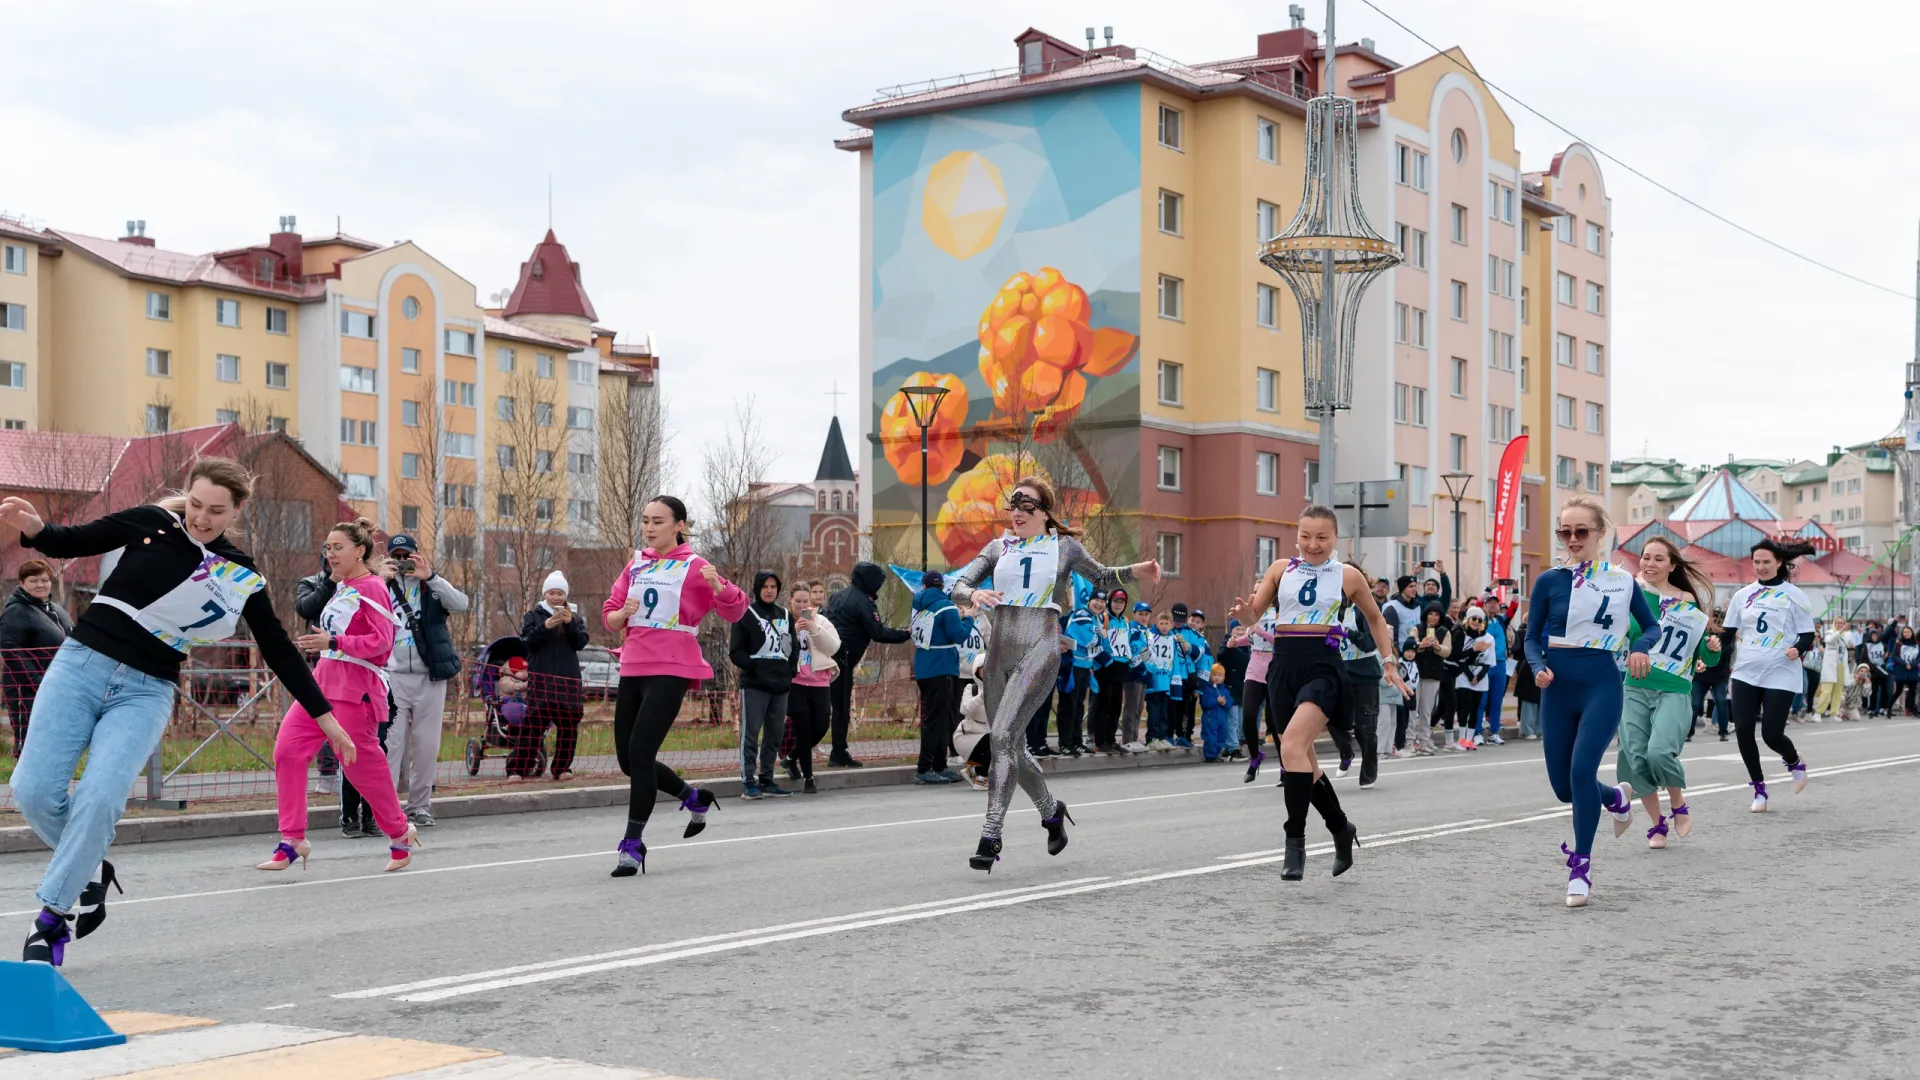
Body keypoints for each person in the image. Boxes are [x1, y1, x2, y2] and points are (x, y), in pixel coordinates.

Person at [4, 459, 336, 965]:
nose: (202, 517)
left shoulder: (239, 574)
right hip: (80, 667)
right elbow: (72, 539)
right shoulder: (150, 523)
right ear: (188, 495)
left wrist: (325, 717)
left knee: (99, 798)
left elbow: (278, 649)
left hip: (145, 689)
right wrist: (35, 530)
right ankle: (89, 867)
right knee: (31, 791)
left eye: (216, 511)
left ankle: (51, 920)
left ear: (237, 510)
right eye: (197, 504)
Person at [948, 476, 1158, 872]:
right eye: (1013, 505)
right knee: (1011, 747)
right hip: (1000, 652)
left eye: (1027, 506)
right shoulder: (997, 547)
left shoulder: (1064, 547)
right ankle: (1051, 812)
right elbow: (957, 583)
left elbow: (1101, 576)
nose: (1018, 512)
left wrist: (1137, 569)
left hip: (1041, 646)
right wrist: (972, 594)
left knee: (1004, 737)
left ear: (1045, 513)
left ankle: (990, 836)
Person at [1227, 505, 1406, 881]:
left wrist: (1389, 661)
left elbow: (1375, 617)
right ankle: (1341, 829)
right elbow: (1254, 615)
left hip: (1323, 668)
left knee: (1291, 747)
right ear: (1297, 535)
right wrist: (1245, 614)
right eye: (1306, 536)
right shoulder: (1279, 569)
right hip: (1283, 668)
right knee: (1302, 763)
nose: (1313, 544)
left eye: (1322, 537)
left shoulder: (1347, 575)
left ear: (1335, 538)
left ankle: (1294, 844)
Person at [260, 518, 417, 873]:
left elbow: (382, 644)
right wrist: (327, 642)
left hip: (355, 690)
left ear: (359, 551)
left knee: (362, 769)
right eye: (327, 548)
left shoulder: (373, 587)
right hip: (320, 686)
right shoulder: (342, 586)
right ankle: (293, 839)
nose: (329, 554)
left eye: (337, 548)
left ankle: (399, 833)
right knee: (287, 751)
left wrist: (334, 642)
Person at [1523, 495, 1659, 908]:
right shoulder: (1549, 580)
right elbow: (1531, 638)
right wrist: (1536, 666)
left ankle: (1580, 867)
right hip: (1558, 688)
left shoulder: (1622, 581)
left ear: (1600, 534)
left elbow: (1651, 628)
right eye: (1565, 531)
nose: (1573, 538)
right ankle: (1615, 798)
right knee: (1565, 788)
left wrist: (1639, 648)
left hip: (1602, 684)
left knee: (1582, 769)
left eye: (1582, 531)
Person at [602, 496, 749, 877]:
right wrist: (621, 614)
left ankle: (632, 845)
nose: (650, 529)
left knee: (640, 749)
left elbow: (735, 610)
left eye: (658, 522)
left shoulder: (696, 566)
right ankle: (694, 797)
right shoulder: (637, 564)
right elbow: (611, 615)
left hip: (672, 667)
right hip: (633, 663)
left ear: (679, 525)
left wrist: (720, 586)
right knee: (629, 761)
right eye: (646, 521)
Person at [1616, 537, 1719, 849]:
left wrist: (1712, 649)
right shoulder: (1632, 594)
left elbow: (1704, 653)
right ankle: (1657, 822)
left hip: (1673, 688)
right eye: (1645, 557)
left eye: (1658, 559)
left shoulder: (1686, 600)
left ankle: (1678, 801)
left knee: (1659, 752)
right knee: (1635, 757)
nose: (1649, 564)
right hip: (1634, 685)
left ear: (1672, 566)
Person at [379, 533, 469, 827]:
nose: (403, 563)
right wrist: (378, 576)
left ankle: (420, 805)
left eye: (408, 556)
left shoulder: (431, 586)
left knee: (426, 744)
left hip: (429, 675)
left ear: (417, 556)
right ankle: (388, 807)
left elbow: (461, 604)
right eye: (397, 557)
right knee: (391, 744)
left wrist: (431, 576)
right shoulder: (381, 585)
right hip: (392, 676)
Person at [1725, 539, 1817, 813]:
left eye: (1766, 562)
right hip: (1746, 671)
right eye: (1756, 562)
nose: (1761, 567)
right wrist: (1712, 649)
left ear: (1778, 562)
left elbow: (1807, 633)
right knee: (1742, 730)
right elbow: (1728, 634)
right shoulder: (1742, 596)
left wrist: (1798, 648)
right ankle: (1759, 789)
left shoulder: (1794, 595)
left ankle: (1794, 761)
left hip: (1781, 670)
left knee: (1771, 734)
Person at [823, 562, 910, 768]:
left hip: (828, 657)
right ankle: (837, 752)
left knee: (824, 706)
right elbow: (878, 632)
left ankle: (803, 750)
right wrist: (905, 634)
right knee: (841, 708)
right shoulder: (863, 602)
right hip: (842, 660)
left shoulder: (838, 595)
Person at [730, 570, 799, 798]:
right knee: (751, 734)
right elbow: (736, 651)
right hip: (755, 685)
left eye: (773, 586)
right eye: (765, 586)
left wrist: (789, 671)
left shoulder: (786, 615)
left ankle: (767, 779)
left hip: (781, 686)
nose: (769, 590)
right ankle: (748, 782)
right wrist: (755, 669)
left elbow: (792, 647)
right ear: (757, 588)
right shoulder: (745, 614)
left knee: (775, 735)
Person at [518, 571, 589, 782]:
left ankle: (562, 768)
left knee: (568, 726)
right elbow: (526, 642)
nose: (556, 597)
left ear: (565, 595)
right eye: (552, 593)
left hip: (568, 682)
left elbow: (581, 642)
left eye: (560, 593)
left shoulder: (575, 618)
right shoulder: (533, 616)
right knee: (533, 726)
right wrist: (547, 626)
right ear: (545, 594)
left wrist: (569, 625)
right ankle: (518, 769)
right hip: (541, 680)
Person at [909, 570, 974, 785]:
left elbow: (935, 628)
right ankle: (924, 768)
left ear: (924, 586)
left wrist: (959, 616)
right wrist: (969, 618)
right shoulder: (946, 606)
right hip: (942, 667)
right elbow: (959, 635)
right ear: (942, 586)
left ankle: (940, 765)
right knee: (936, 721)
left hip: (924, 665)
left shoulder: (918, 604)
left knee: (939, 718)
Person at [1, 559, 72, 756]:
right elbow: (10, 649)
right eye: (33, 581)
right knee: (30, 741)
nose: (40, 585)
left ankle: (47, 785)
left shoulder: (55, 609)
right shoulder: (16, 611)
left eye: (45, 580)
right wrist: (37, 682)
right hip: (27, 689)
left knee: (53, 740)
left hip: (55, 685)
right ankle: (24, 786)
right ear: (22, 583)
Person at [781, 580, 840, 793]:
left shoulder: (822, 621)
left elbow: (833, 647)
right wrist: (794, 633)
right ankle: (808, 778)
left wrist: (814, 628)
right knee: (803, 729)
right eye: (798, 601)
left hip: (819, 681)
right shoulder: (784, 621)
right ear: (791, 601)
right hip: (796, 682)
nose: (802, 605)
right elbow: (782, 651)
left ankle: (790, 757)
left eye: (806, 601)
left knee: (822, 725)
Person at [1056, 579, 1102, 757]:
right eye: (1096, 600)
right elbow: (1089, 640)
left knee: (1078, 705)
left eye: (1102, 601)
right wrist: (1099, 638)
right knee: (1068, 704)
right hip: (1073, 665)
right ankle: (1065, 743)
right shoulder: (1082, 614)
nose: (1099, 604)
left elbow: (1095, 645)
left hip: (1084, 666)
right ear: (1089, 600)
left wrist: (1098, 640)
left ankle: (1076, 741)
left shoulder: (1094, 618)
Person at [1089, 589, 1136, 753]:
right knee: (1103, 705)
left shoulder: (1125, 621)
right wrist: (1105, 661)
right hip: (1106, 667)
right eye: (1116, 601)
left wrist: (1129, 662)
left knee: (1116, 706)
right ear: (1110, 602)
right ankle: (1100, 741)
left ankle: (1110, 739)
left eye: (1122, 602)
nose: (1118, 604)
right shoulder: (1103, 618)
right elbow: (1096, 641)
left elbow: (1127, 643)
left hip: (1120, 667)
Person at [1240, 591, 1277, 781]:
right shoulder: (1254, 614)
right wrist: (1236, 642)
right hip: (1255, 666)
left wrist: (1262, 631)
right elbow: (1252, 638)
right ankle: (1255, 757)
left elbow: (1281, 641)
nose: (1254, 595)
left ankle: (1286, 765)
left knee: (1275, 723)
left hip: (1274, 668)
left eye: (1259, 591)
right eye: (1253, 592)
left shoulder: (1281, 612)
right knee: (1248, 715)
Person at [1409, 605, 1452, 756]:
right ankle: (1409, 741)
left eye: (1436, 615)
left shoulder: (1444, 632)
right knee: (1412, 710)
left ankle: (1424, 741)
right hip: (1415, 673)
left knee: (1426, 711)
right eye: (1430, 614)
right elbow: (1410, 645)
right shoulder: (1417, 628)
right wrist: (1421, 644)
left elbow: (1447, 651)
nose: (1433, 617)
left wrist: (1437, 646)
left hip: (1433, 675)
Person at [1451, 607, 1495, 753]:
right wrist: (1470, 676)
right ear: (1468, 620)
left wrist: (1479, 677)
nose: (1476, 622)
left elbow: (1489, 662)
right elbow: (1459, 657)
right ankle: (1461, 738)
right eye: (1473, 618)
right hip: (1464, 676)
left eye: (1479, 620)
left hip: (1480, 677)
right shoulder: (1463, 635)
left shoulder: (1489, 638)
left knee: (1476, 709)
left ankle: (1470, 739)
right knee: (1466, 707)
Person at [1692, 608, 1735, 741]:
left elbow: (1729, 649)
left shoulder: (1726, 634)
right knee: (1695, 704)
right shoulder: (1701, 632)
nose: (1714, 620)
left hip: (1720, 675)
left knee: (1721, 702)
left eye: (1717, 618)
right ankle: (1688, 732)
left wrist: (1716, 646)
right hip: (1701, 674)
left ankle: (1723, 731)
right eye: (1712, 617)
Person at [954, 656, 991, 789]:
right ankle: (981, 779)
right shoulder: (971, 689)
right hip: (967, 737)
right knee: (995, 741)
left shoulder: (1001, 690)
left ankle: (973, 771)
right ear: (976, 670)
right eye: (984, 668)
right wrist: (982, 697)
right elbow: (964, 709)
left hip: (987, 738)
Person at [1143, 610, 1179, 750]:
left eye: (1166, 623)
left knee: (1164, 710)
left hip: (1166, 681)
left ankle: (1162, 736)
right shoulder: (1150, 636)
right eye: (1161, 623)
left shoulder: (1173, 639)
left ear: (1171, 625)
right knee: (1154, 710)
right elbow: (1145, 653)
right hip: (1153, 679)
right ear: (1157, 624)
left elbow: (1174, 659)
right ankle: (1151, 737)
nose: (1164, 626)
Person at [1217, 619, 1251, 762]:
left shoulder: (1247, 645)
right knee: (1233, 719)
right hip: (1230, 688)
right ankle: (1233, 747)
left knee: (1240, 720)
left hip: (1243, 687)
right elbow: (1222, 656)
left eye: (1243, 629)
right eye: (1237, 629)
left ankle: (1230, 746)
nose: (1241, 632)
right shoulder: (1227, 645)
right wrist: (1233, 647)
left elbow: (1248, 660)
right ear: (1231, 631)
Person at [1477, 602, 1510, 745]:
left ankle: (1493, 732)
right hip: (1485, 663)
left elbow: (1514, 607)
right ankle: (1477, 732)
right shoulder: (1480, 620)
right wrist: (1489, 588)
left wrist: (1515, 589)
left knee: (1497, 700)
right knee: (1482, 700)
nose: (1493, 606)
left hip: (1501, 663)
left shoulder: (1501, 620)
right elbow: (1477, 606)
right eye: (1489, 603)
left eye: (1495, 604)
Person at [1812, 619, 1850, 722]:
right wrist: (1840, 631)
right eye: (1838, 623)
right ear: (1834, 624)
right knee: (1827, 691)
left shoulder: (1846, 636)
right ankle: (1818, 712)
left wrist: (1847, 631)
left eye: (1842, 623)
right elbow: (1829, 640)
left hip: (1841, 665)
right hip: (1830, 666)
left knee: (1838, 691)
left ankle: (1834, 713)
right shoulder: (1829, 633)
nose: (1840, 625)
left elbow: (1852, 643)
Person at [1198, 664, 1235, 761]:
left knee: (1222, 735)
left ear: (1223, 677)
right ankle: (1210, 756)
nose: (1216, 678)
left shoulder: (1224, 690)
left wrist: (1225, 702)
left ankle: (1216, 753)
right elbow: (1204, 703)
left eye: (1219, 675)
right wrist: (1216, 701)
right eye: (1214, 675)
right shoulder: (1207, 688)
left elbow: (1230, 702)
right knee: (1211, 737)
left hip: (1222, 718)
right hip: (1211, 717)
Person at [1890, 625, 1920, 716]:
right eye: (1905, 632)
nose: (1906, 633)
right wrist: (1904, 664)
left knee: (1912, 691)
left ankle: (1909, 709)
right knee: (1898, 690)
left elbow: (1919, 657)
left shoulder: (1917, 644)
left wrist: (1912, 664)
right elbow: (1894, 656)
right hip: (1901, 669)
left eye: (1908, 632)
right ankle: (1888, 707)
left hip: (1913, 670)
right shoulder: (1899, 643)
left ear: (1912, 633)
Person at [1863, 627, 1890, 717]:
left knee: (1884, 690)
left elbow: (1887, 657)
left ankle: (1883, 708)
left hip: (1882, 670)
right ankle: (1872, 708)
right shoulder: (1867, 646)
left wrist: (1885, 660)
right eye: (1872, 635)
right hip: (1873, 671)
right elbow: (1864, 659)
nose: (1874, 636)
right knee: (1873, 690)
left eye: (1875, 635)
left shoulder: (1883, 645)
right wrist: (1873, 667)